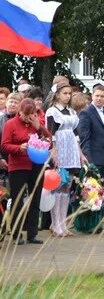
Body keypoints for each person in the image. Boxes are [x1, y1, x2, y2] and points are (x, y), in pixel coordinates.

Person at [1, 98, 51, 244]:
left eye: (30, 115)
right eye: (24, 114)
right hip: (18, 166)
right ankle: (16, 234)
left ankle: (32, 233)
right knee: (18, 200)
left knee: (35, 199)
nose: (26, 118)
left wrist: (39, 126)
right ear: (19, 111)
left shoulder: (36, 123)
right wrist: (18, 148)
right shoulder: (11, 124)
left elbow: (49, 140)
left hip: (36, 164)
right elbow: (4, 145)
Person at [46, 83, 87, 237]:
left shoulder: (71, 111)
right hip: (60, 148)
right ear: (57, 94)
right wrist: (54, 153)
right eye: (64, 93)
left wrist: (81, 154)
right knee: (57, 185)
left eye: (69, 93)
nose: (67, 96)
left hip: (71, 149)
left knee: (67, 186)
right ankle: (55, 223)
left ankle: (63, 224)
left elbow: (76, 135)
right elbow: (51, 134)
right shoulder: (52, 111)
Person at [78, 85, 104, 180]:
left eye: (102, 96)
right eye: (97, 96)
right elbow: (84, 138)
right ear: (92, 96)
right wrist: (89, 161)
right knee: (94, 191)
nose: (99, 98)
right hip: (94, 159)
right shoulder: (86, 113)